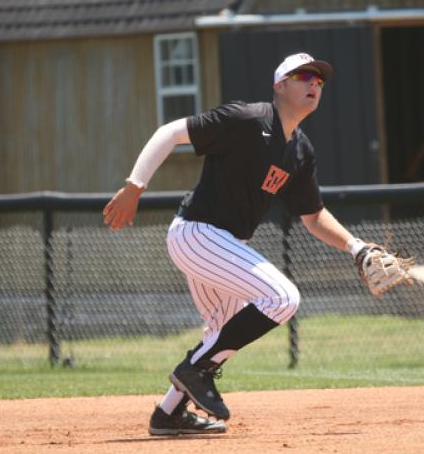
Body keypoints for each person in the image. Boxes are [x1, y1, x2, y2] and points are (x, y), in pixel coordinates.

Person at [103, 52, 370, 436]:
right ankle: (195, 371)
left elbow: (313, 216)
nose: (314, 84)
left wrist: (356, 247)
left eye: (319, 80)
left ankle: (169, 415)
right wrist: (135, 186)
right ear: (280, 85)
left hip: (224, 244)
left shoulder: (300, 151)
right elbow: (170, 132)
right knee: (283, 297)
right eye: (304, 76)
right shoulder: (248, 118)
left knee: (219, 331)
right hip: (197, 233)